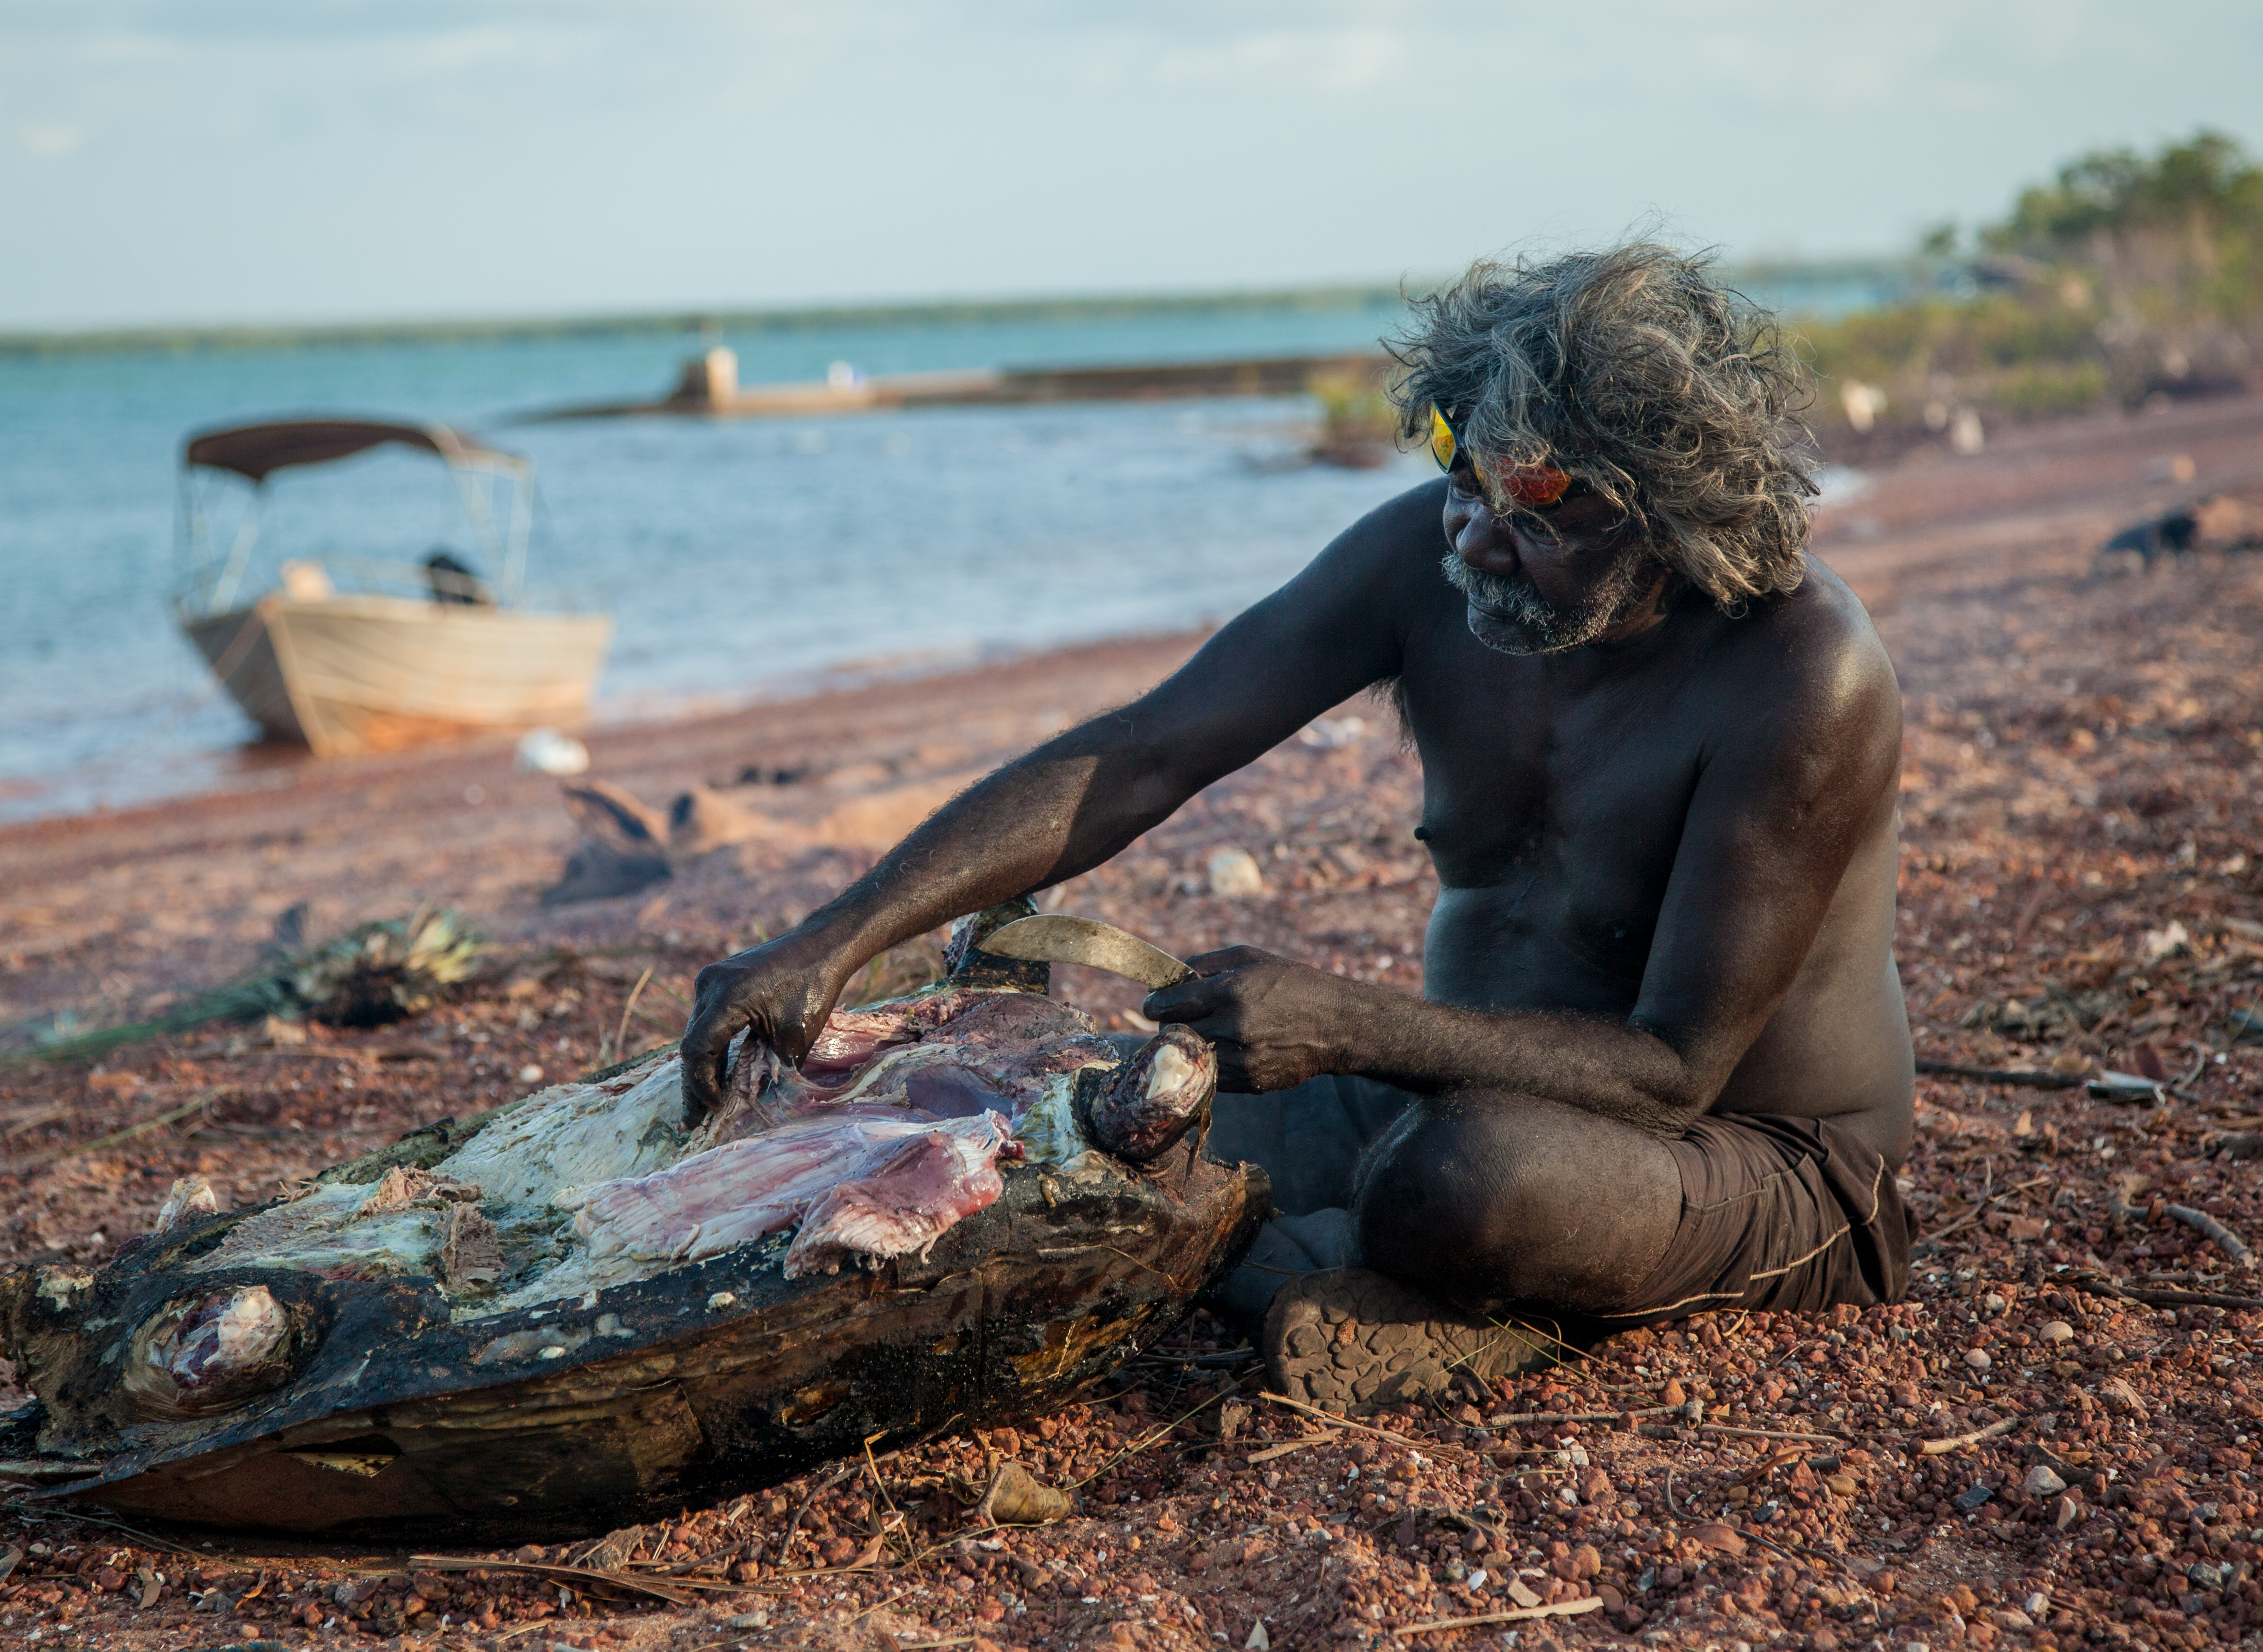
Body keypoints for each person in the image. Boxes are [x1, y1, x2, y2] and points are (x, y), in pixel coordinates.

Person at [679, 243, 1914, 1410]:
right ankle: (1310, 1270)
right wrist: (829, 939)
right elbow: (1141, 756)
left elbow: (1676, 1069)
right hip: (1425, 1089)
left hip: (1752, 1157)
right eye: (1459, 472)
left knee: (1464, 1184)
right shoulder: (1422, 568)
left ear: (1673, 518)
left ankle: (1343, 1280)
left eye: (1538, 513)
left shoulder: (1802, 676)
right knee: (1085, 1129)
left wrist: (1343, 1024)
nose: (1476, 536)